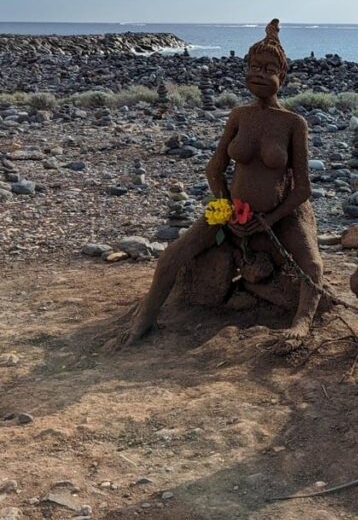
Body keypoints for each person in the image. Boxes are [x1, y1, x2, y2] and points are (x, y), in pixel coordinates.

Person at [116, 19, 325, 347]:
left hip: (278, 215)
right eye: (254, 66)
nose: (259, 72)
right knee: (174, 253)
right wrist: (226, 207)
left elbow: (303, 189)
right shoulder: (240, 115)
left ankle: (301, 323)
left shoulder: (293, 124)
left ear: (282, 77)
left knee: (312, 264)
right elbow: (214, 169)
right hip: (230, 209)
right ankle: (144, 320)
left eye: (268, 68)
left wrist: (268, 219)